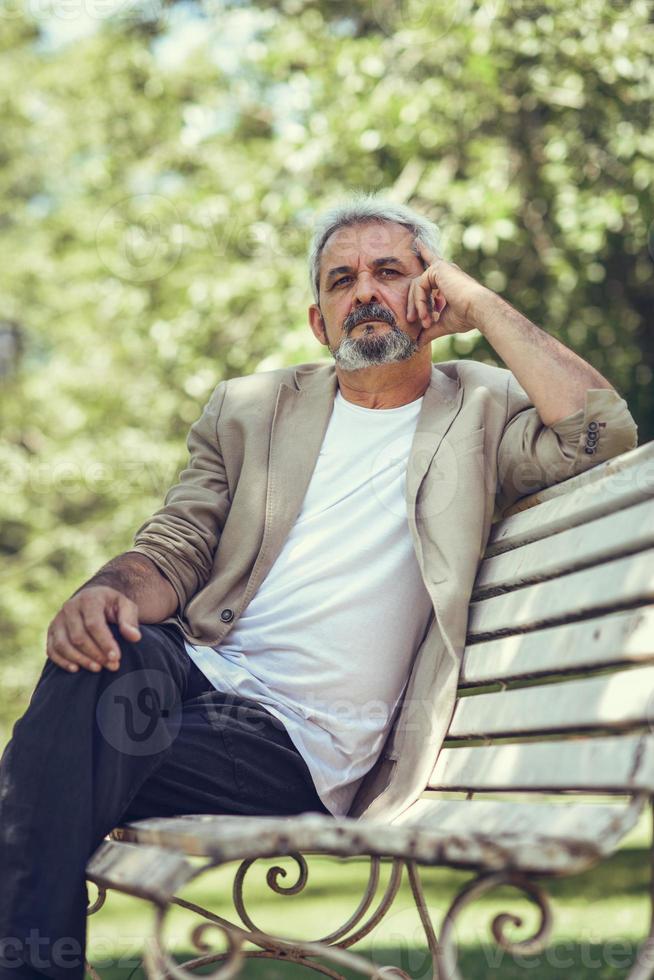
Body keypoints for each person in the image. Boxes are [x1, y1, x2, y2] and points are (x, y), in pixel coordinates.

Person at [0, 194, 638, 979]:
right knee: (95, 656)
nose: (364, 291)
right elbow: (176, 544)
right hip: (195, 671)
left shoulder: (482, 405)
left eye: (390, 271)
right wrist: (107, 592)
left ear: (430, 291)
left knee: (42, 770)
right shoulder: (248, 409)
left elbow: (602, 434)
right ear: (319, 321)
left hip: (294, 740)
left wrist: (478, 303)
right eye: (342, 279)